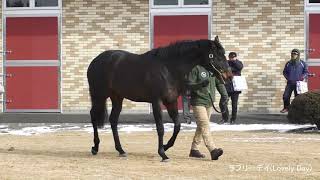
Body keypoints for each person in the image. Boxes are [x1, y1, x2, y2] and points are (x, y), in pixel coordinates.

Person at [185, 65, 223, 160]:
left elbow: (219, 82)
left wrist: (224, 96)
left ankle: (194, 149)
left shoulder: (213, 68)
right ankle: (213, 150)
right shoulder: (195, 68)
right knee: (205, 125)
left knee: (201, 126)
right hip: (198, 102)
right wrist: (200, 84)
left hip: (209, 102)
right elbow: (189, 85)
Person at [280, 49, 308, 113]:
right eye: (292, 54)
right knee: (285, 96)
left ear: (298, 55)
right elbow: (284, 72)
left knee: (297, 97)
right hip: (290, 83)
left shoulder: (302, 63)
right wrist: (288, 78)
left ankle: (297, 110)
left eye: (295, 54)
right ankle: (286, 108)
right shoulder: (288, 63)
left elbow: (306, 72)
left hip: (298, 84)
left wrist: (302, 77)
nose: (293, 55)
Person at [224, 52, 243, 124]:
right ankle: (225, 117)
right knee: (224, 102)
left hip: (235, 86)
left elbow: (239, 67)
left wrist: (234, 61)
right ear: (228, 57)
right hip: (227, 85)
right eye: (230, 57)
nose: (232, 58)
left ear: (235, 57)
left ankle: (233, 119)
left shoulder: (238, 63)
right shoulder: (226, 63)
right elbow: (224, 69)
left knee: (234, 104)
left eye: (233, 57)